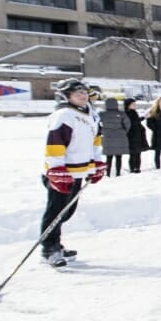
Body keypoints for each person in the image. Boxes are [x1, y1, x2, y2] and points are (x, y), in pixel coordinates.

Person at [39, 78, 106, 267]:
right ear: (67, 96)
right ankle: (49, 249)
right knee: (55, 212)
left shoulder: (91, 115)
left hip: (79, 172)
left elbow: (95, 142)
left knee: (67, 212)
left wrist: (96, 165)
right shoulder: (64, 116)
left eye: (84, 92)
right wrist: (56, 169)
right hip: (62, 173)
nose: (83, 96)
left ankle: (56, 244)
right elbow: (55, 144)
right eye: (78, 93)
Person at [98, 97, 130, 178]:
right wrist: (123, 131)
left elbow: (96, 123)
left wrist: (102, 131)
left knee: (109, 157)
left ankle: (108, 173)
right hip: (120, 136)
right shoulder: (122, 114)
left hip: (107, 137)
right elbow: (127, 124)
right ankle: (118, 172)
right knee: (119, 157)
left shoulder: (102, 114)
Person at [123, 98, 148, 173]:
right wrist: (143, 118)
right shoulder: (127, 113)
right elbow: (133, 122)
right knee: (133, 154)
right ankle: (133, 168)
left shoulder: (134, 112)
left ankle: (137, 168)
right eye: (132, 104)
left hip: (137, 135)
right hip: (131, 136)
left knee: (138, 153)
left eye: (134, 104)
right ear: (128, 105)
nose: (134, 105)